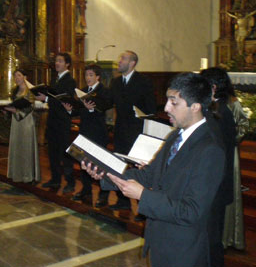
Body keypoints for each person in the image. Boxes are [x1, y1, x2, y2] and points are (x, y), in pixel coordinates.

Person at [83, 72, 225, 267]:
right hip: (160, 240)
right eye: (167, 100)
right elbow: (148, 175)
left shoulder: (210, 150)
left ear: (195, 106)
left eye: (173, 102)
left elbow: (191, 211)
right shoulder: (175, 137)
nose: (166, 108)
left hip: (183, 251)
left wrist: (143, 195)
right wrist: (105, 174)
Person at [107, 50, 156, 210]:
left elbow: (151, 108)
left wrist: (143, 115)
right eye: (120, 57)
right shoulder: (115, 82)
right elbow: (107, 103)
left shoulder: (144, 81)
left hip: (137, 131)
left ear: (132, 63)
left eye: (123, 58)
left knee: (138, 168)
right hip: (121, 129)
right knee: (119, 165)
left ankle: (144, 206)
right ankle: (123, 202)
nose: (119, 61)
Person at [201, 67, 237, 266]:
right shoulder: (216, 110)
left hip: (216, 186)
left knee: (212, 240)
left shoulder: (221, 114)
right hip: (214, 185)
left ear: (212, 88)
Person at [62, 64, 111, 205]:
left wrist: (91, 109)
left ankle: (103, 194)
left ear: (97, 76)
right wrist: (70, 110)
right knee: (84, 162)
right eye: (86, 75)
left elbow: (104, 108)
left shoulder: (104, 91)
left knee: (100, 165)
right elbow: (78, 111)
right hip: (84, 132)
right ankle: (86, 190)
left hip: (98, 132)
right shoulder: (82, 91)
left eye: (91, 75)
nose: (87, 78)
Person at [36, 53, 77, 193]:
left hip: (62, 122)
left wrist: (46, 99)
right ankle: (55, 180)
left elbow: (65, 101)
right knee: (52, 153)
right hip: (53, 121)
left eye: (60, 61)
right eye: (56, 61)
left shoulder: (70, 81)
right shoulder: (56, 79)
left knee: (65, 155)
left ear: (67, 64)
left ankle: (70, 182)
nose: (57, 63)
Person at [5, 69, 40, 183]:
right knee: (17, 146)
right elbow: (12, 105)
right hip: (16, 122)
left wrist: (16, 111)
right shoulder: (14, 91)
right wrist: (7, 111)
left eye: (19, 75)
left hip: (26, 121)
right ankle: (17, 174)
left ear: (25, 77)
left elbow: (30, 107)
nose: (17, 78)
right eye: (15, 76)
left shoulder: (30, 91)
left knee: (26, 146)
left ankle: (27, 175)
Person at [224, 82, 248, 250]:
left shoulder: (233, 102)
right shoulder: (208, 102)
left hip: (229, 151)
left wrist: (230, 138)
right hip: (213, 151)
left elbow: (243, 125)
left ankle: (229, 237)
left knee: (229, 192)